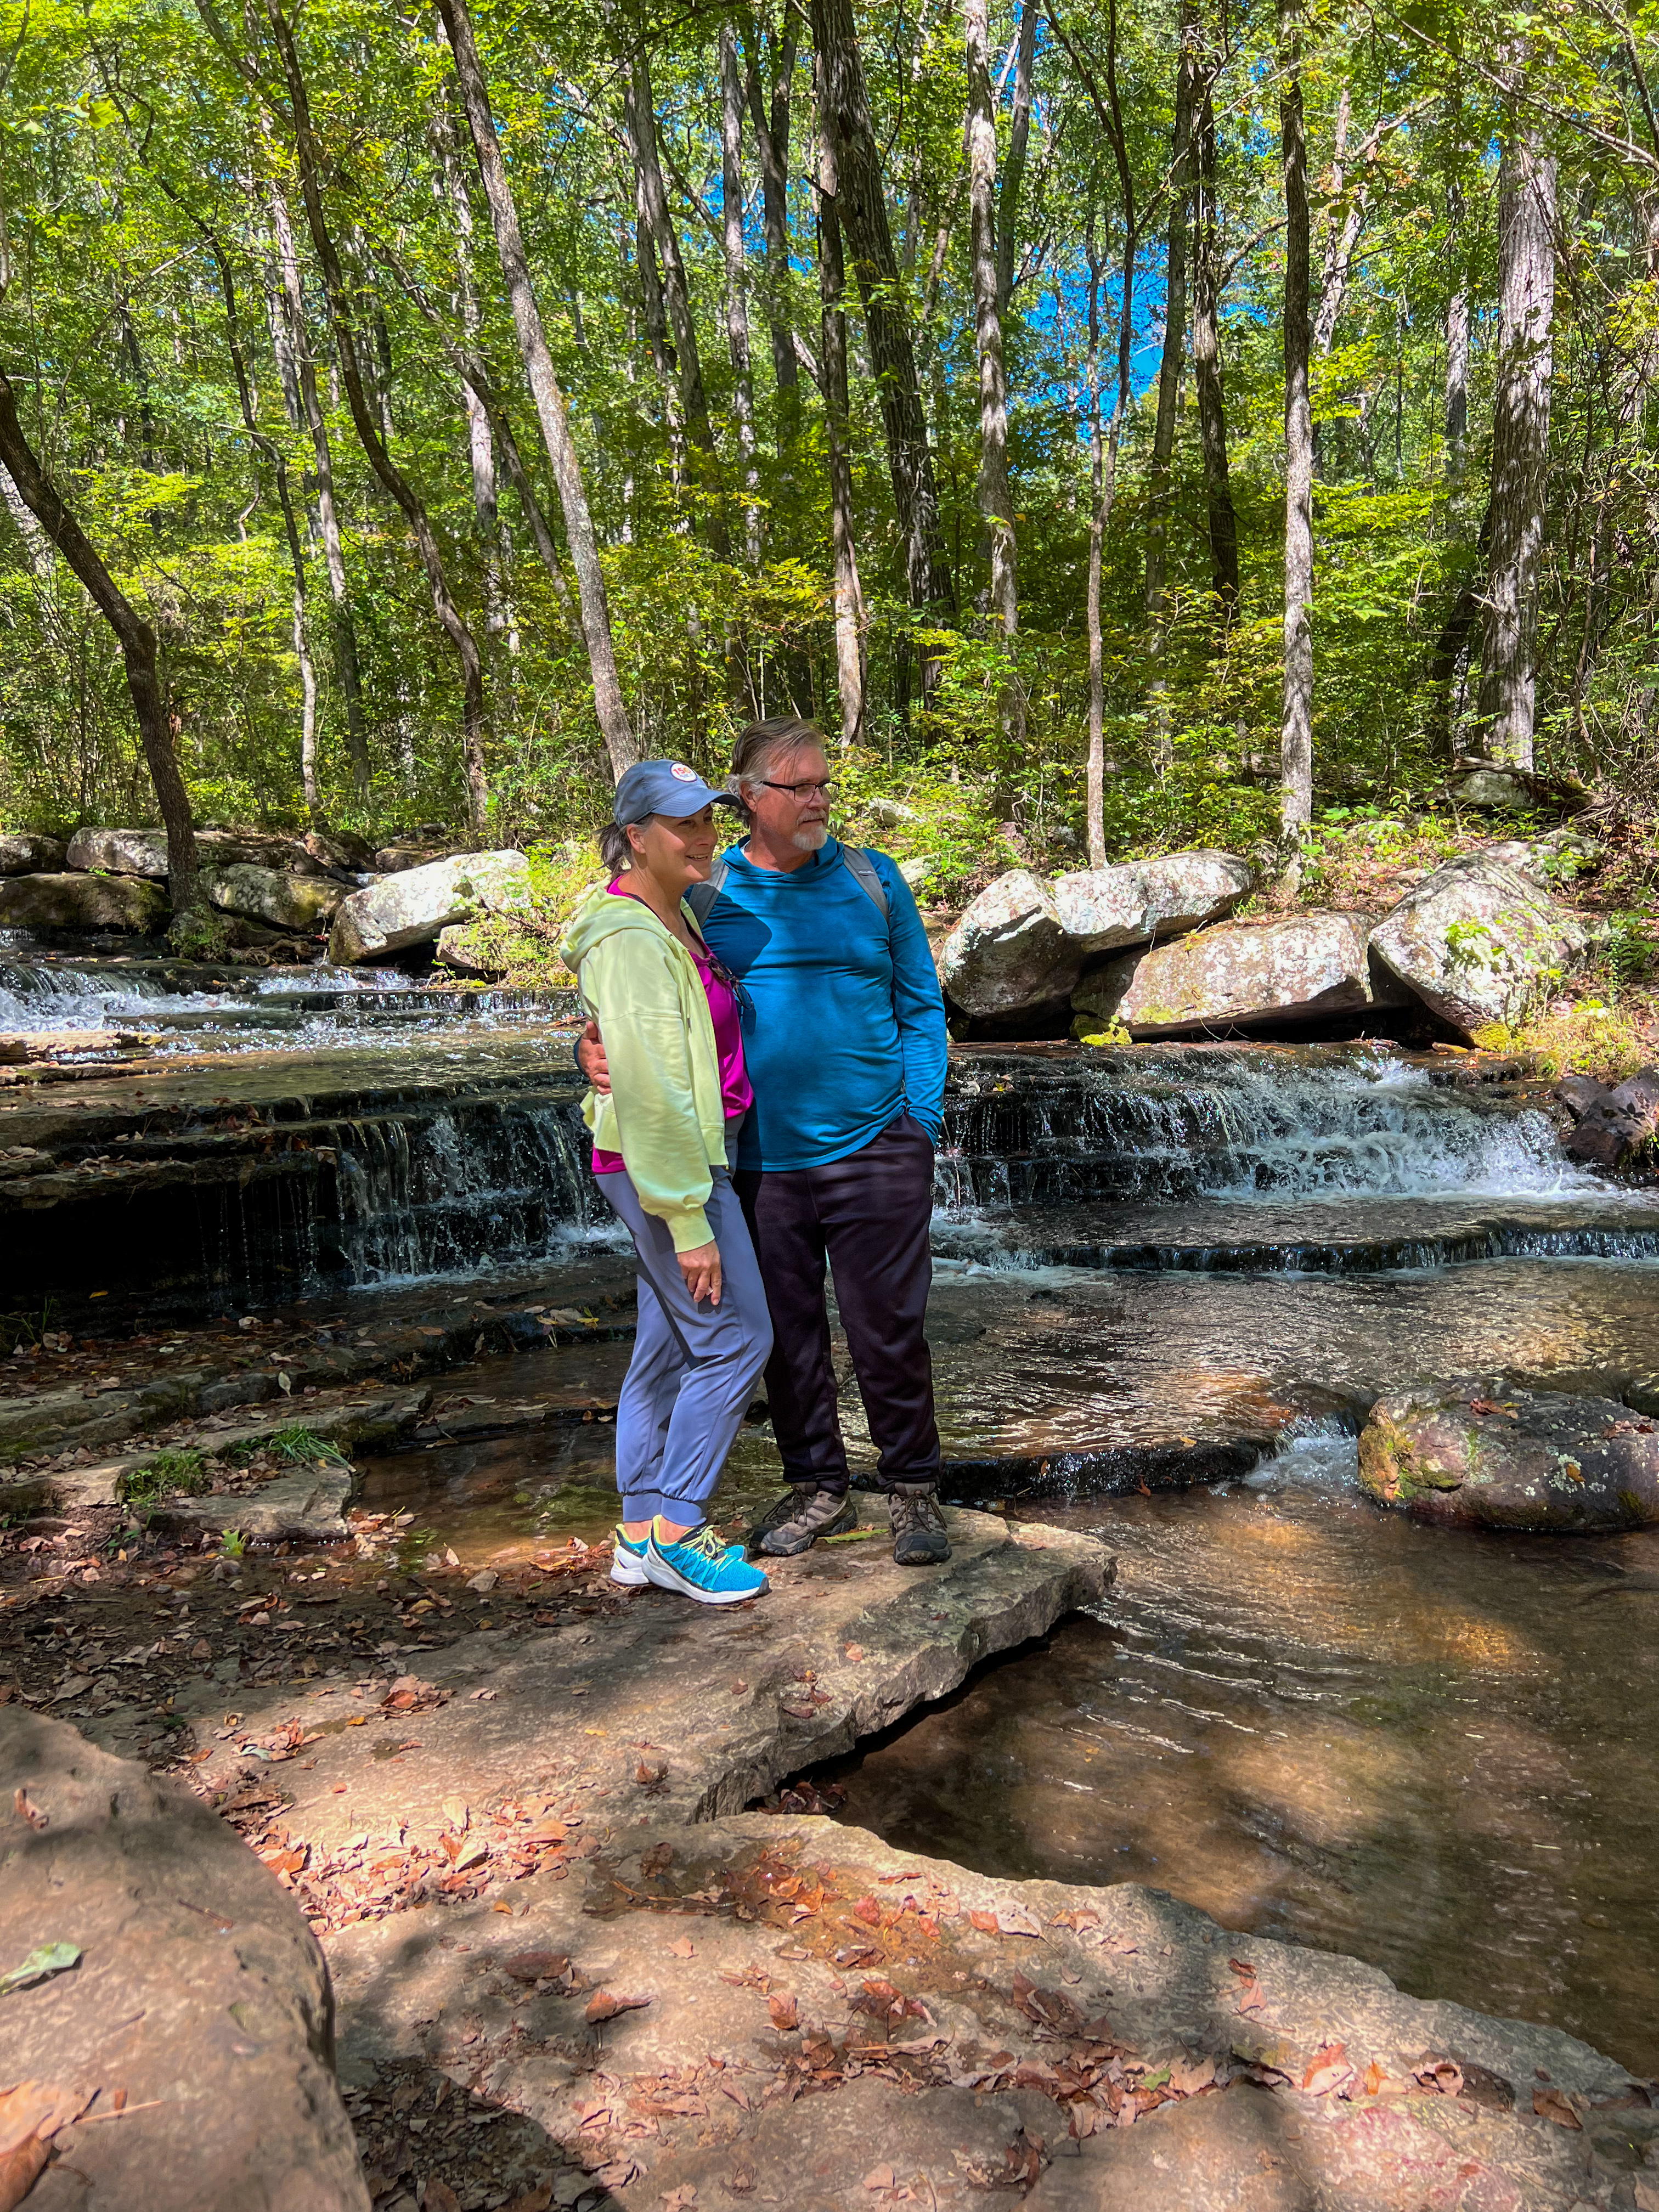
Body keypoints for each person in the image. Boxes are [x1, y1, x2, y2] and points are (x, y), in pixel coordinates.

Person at [580, 716, 952, 1567]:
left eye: (825, 783)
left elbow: (921, 1005)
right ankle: (818, 1485)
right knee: (782, 1335)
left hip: (876, 1145)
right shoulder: (705, 891)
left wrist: (918, 1122)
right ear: (750, 798)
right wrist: (584, 1049)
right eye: (800, 786)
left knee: (888, 1328)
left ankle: (913, 1491)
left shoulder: (874, 880)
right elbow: (636, 1005)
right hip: (754, 1160)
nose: (820, 799)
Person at [560, 759, 772, 1605]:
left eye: (708, 822)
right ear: (635, 836)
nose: (702, 839)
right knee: (735, 1339)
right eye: (681, 826)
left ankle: (640, 1528)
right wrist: (689, 1220)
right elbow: (648, 1089)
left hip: (672, 1158)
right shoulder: (631, 938)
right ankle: (681, 1535)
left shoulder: (671, 910)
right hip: (671, 1166)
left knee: (670, 1343)